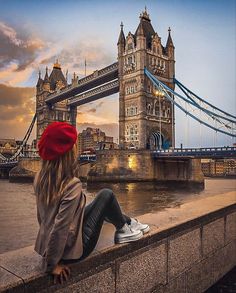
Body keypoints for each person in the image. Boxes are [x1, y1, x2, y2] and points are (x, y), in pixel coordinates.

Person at [34, 122, 150, 284]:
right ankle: (124, 230)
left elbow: (43, 219)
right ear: (68, 152)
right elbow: (60, 228)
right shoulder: (71, 184)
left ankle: (129, 222)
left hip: (46, 246)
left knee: (99, 205)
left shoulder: (40, 177)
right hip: (73, 252)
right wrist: (51, 265)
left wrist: (47, 250)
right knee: (106, 195)